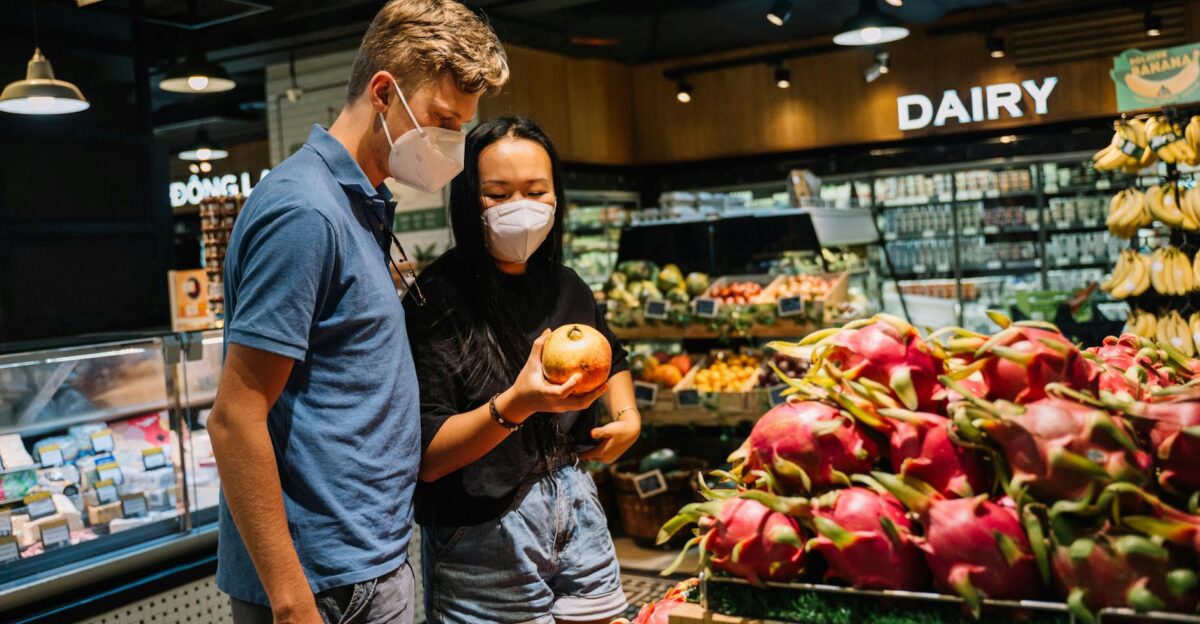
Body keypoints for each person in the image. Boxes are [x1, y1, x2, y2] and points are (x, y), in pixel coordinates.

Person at [207, 2, 508, 623]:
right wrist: (293, 605)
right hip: (325, 586)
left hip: (364, 566)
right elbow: (236, 417)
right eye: (443, 121)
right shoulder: (305, 212)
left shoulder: (354, 205)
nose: (451, 145)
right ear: (383, 93)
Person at [403, 116, 642, 624]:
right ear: (469, 199)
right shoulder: (436, 300)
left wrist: (627, 415)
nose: (522, 208)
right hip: (482, 531)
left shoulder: (568, 286)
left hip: (575, 502)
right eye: (498, 194)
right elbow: (428, 457)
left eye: (536, 191)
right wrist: (519, 403)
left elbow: (611, 355)